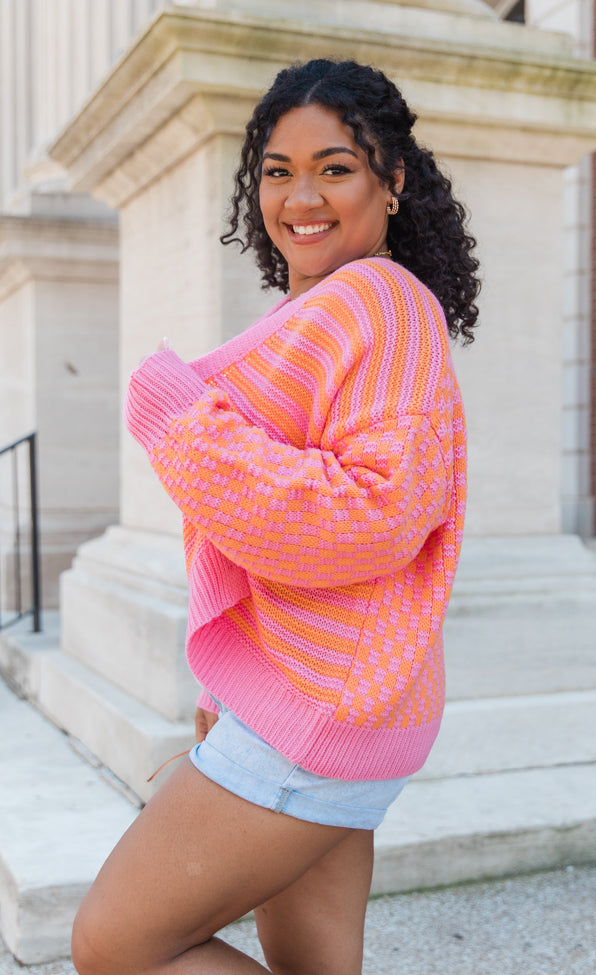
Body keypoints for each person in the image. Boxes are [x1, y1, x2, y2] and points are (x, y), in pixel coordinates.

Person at [71, 58, 479, 975]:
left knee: (115, 943)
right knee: (314, 964)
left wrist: (180, 419)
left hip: (321, 704)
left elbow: (371, 516)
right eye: (278, 169)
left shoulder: (379, 299)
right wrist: (227, 692)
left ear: (394, 179)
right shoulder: (337, 311)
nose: (302, 195)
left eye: (336, 167)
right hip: (349, 698)